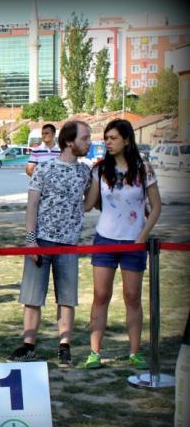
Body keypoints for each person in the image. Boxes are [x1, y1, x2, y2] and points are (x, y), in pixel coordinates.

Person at [8, 120, 92, 366]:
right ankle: (28, 345)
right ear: (69, 141)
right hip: (41, 242)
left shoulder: (85, 172)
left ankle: (64, 346)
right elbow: (32, 205)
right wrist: (31, 241)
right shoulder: (44, 169)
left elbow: (87, 205)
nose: (89, 142)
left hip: (69, 244)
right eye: (85, 138)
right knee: (32, 297)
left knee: (67, 298)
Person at [83, 119, 162, 370]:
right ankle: (94, 352)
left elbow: (157, 206)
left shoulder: (144, 169)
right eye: (106, 138)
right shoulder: (99, 170)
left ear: (127, 140)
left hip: (134, 243)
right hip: (104, 239)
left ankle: (134, 352)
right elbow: (89, 204)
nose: (108, 142)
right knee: (101, 296)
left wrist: (142, 237)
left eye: (113, 138)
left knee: (132, 298)